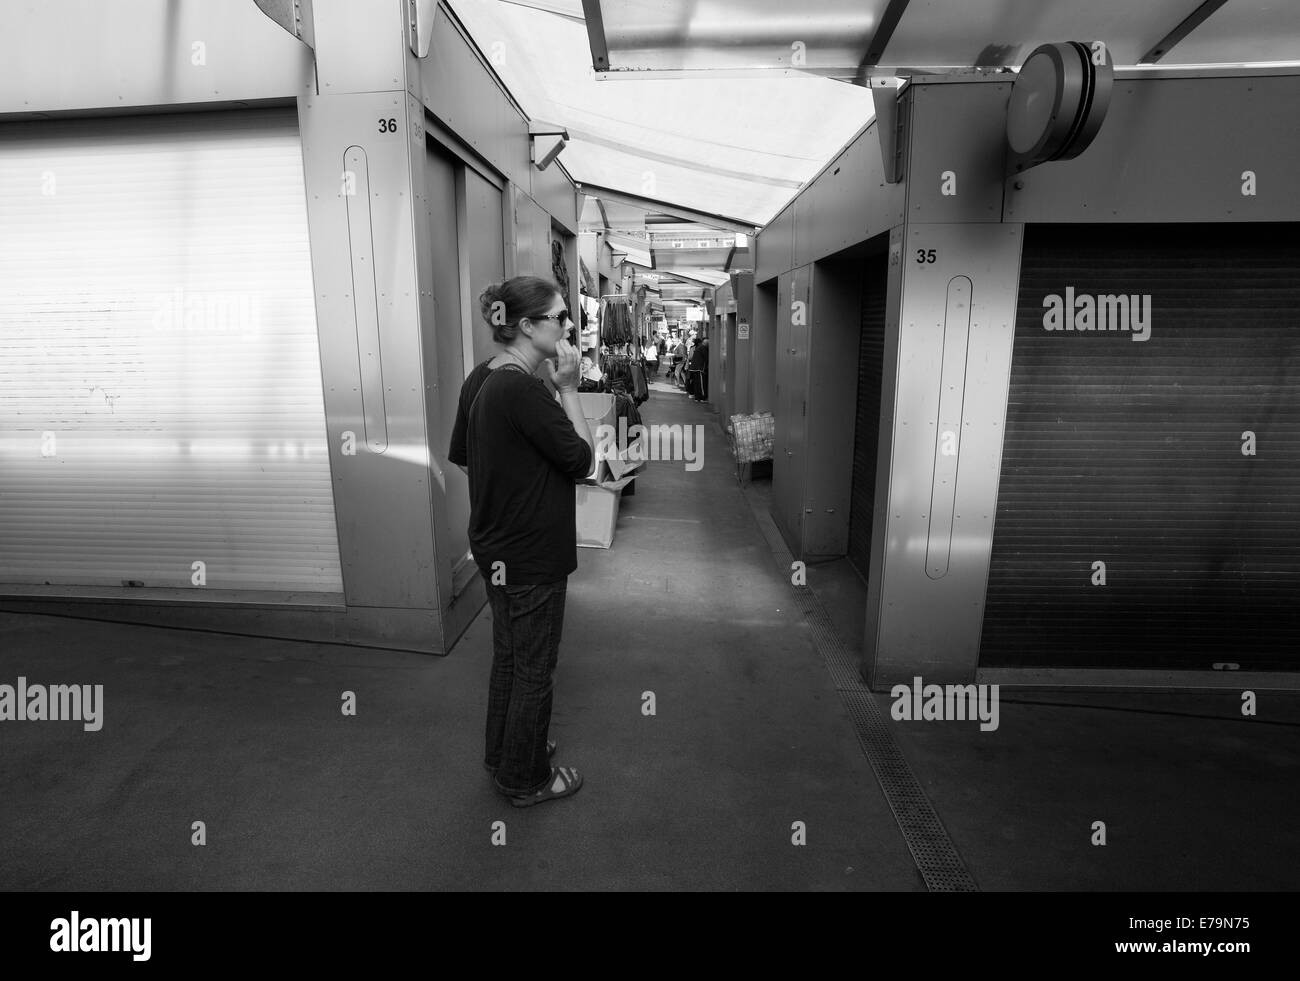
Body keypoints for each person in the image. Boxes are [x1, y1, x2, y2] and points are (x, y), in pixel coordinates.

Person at [447, 275, 594, 807]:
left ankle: (508, 751)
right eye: (559, 317)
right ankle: (525, 778)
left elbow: (464, 456)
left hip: (493, 548)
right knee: (534, 668)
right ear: (527, 326)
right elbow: (583, 461)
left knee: (510, 658)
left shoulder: (482, 378)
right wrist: (571, 389)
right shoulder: (529, 389)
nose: (570, 324)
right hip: (531, 555)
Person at [688, 334, 709, 401]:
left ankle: (697, 397)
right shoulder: (703, 348)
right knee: (701, 384)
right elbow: (707, 358)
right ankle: (702, 397)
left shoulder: (699, 348)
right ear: (705, 343)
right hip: (699, 369)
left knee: (697, 383)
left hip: (694, 368)